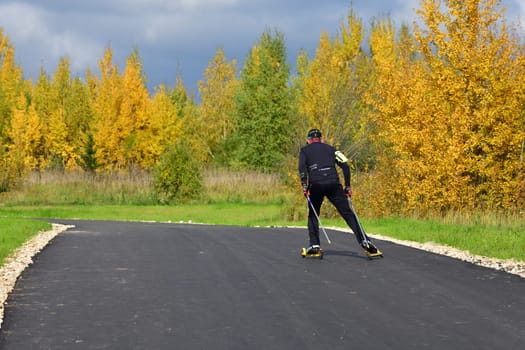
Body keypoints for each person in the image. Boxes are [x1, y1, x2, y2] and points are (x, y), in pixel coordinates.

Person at [298, 128, 380, 256]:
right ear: (322, 139)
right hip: (333, 184)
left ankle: (314, 244)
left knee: (313, 214)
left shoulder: (304, 151)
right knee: (348, 213)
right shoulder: (331, 149)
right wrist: (347, 186)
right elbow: (345, 165)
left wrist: (304, 185)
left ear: (308, 140)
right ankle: (365, 240)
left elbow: (302, 169)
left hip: (316, 185)